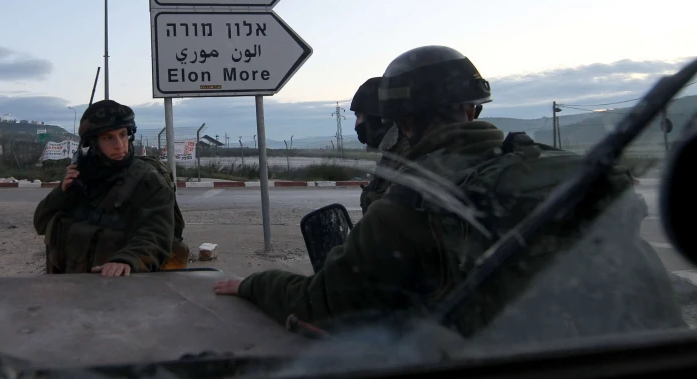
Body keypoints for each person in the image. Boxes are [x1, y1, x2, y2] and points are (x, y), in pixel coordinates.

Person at [215, 45, 684, 340]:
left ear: (402, 121)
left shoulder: (411, 202)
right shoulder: (547, 167)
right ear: (474, 110)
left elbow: (321, 304)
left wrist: (253, 283)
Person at [33, 100, 183, 276]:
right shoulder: (82, 178)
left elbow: (156, 232)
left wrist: (127, 259)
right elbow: (41, 224)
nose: (119, 145)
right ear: (93, 143)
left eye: (123, 135)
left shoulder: (148, 178)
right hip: (71, 284)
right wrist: (62, 192)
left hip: (124, 283)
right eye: (108, 138)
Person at [349, 77, 411, 214]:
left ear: (377, 119)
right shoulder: (394, 156)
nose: (356, 125)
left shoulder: (408, 160)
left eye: (359, 116)